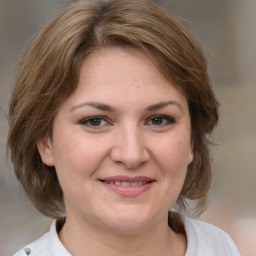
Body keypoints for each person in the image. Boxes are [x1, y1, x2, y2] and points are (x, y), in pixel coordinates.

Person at [8, 0, 240, 255]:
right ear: (45, 142)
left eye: (158, 120)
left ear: (193, 139)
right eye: (95, 121)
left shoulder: (223, 248)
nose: (131, 155)